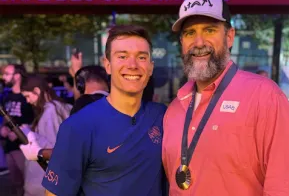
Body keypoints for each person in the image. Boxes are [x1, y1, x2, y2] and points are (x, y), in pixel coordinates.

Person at [162, 0, 289, 195]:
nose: (199, 42)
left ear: (229, 37)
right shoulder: (174, 110)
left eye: (209, 30)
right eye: (190, 33)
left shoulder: (265, 97)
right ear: (182, 42)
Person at [42, 25, 167, 196]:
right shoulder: (78, 127)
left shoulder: (163, 116)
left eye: (142, 57)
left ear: (151, 67)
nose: (132, 65)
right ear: (107, 65)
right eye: (122, 56)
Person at [18, 75, 72, 196]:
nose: (27, 101)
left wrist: (30, 134)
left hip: (44, 181)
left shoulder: (50, 111)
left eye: (28, 96)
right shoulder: (61, 107)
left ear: (37, 91)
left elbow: (53, 147)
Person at [0, 64, 34, 196]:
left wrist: (20, 132)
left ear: (17, 76)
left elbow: (35, 120)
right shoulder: (7, 96)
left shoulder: (28, 96)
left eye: (7, 73)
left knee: (29, 183)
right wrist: (2, 128)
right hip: (9, 146)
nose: (4, 77)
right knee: (16, 184)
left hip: (24, 147)